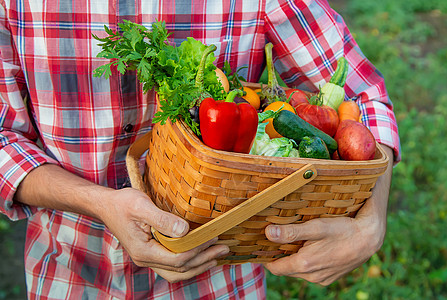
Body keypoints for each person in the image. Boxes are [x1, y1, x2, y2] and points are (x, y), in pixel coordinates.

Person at [0, 0, 400, 298]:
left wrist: (372, 220)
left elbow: (364, 97)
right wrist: (99, 202)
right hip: (70, 275)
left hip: (221, 282)